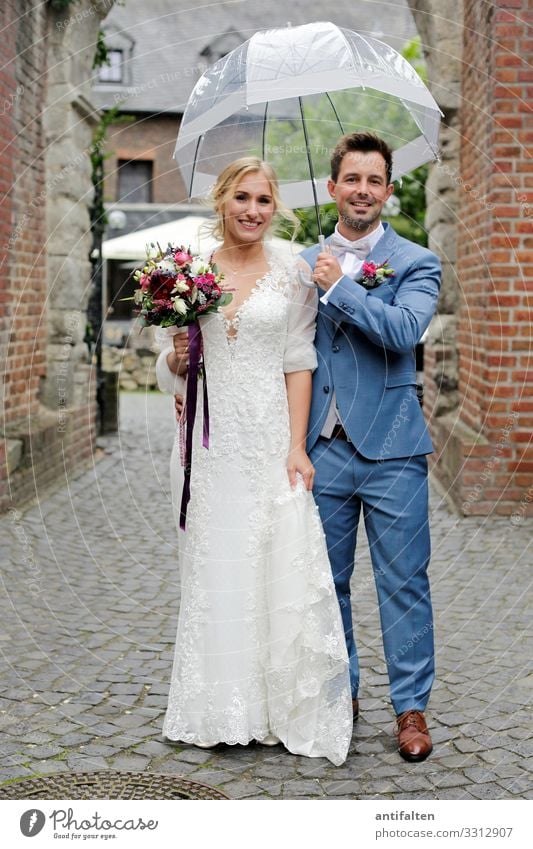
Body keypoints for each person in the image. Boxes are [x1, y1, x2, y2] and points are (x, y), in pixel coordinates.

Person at [154, 157, 352, 765]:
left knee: (273, 560)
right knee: (213, 566)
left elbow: (299, 360)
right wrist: (176, 364)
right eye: (242, 198)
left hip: (268, 438)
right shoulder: (186, 272)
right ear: (221, 200)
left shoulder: (294, 273)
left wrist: (297, 445)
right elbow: (167, 361)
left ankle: (273, 705)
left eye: (264, 201)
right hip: (208, 449)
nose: (252, 211)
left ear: (275, 208)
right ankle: (216, 706)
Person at [300, 132, 441, 762]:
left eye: (374, 180)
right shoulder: (301, 260)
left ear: (388, 190)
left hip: (393, 449)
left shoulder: (416, 262)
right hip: (321, 447)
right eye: (351, 179)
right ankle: (344, 693)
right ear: (332, 188)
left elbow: (405, 330)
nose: (363, 190)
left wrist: (342, 289)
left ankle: (411, 707)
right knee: (327, 583)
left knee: (404, 581)